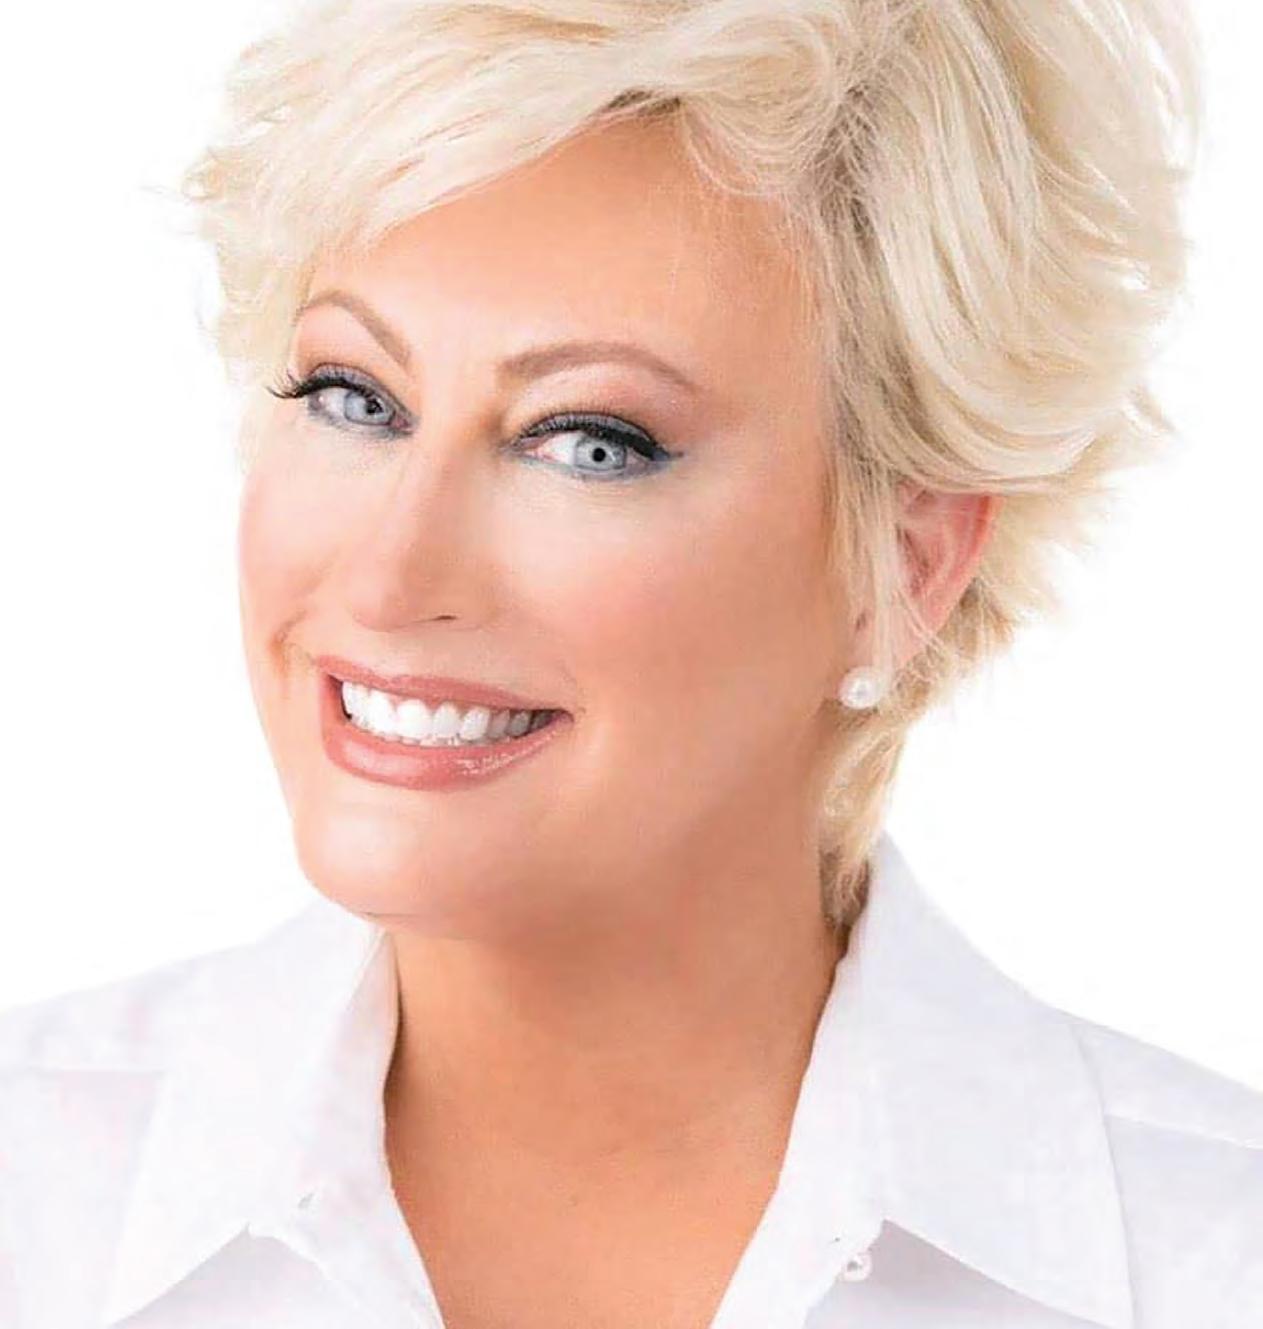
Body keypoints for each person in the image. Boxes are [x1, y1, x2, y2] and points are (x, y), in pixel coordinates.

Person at [2, 1, 1259, 1326]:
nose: (385, 580)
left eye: (589, 441)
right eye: (354, 398)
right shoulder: (36, 1197)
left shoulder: (1207, 1267)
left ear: (905, 565)